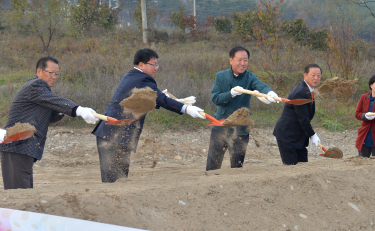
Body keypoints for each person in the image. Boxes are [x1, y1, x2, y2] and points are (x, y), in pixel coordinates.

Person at [92, 48, 206, 183]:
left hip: (112, 135)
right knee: (115, 182)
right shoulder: (143, 78)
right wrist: (186, 109)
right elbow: (162, 99)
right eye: (153, 64)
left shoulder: (131, 75)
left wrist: (156, 98)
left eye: (157, 65)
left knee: (117, 180)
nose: (156, 68)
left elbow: (143, 100)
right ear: (141, 64)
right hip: (115, 135)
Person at [0, 56, 99, 190]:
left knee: (25, 193)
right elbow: (55, 101)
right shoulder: (36, 85)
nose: (54, 77)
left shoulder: (41, 91)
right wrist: (78, 110)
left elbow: (50, 115)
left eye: (57, 74)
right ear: (39, 71)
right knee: (18, 195)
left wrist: (65, 111)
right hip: (17, 147)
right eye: (51, 73)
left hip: (22, 149)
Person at [207, 46, 279, 171]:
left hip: (240, 131)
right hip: (220, 128)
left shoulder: (250, 78)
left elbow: (260, 86)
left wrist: (270, 93)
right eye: (239, 60)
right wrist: (231, 93)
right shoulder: (220, 76)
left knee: (237, 168)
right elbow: (216, 98)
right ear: (231, 60)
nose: (243, 63)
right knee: (213, 167)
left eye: (245, 60)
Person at [273, 64, 323, 165]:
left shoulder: (308, 90)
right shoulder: (300, 92)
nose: (316, 78)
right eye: (313, 75)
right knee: (292, 168)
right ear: (305, 75)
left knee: (303, 165)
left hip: (298, 136)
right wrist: (312, 135)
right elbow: (303, 119)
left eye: (318, 75)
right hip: (287, 135)